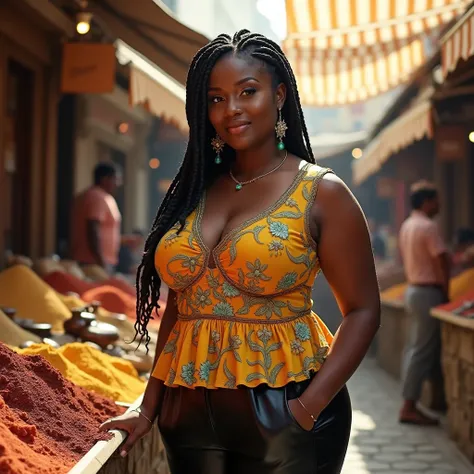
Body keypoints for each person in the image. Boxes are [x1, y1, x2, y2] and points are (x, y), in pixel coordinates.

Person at [101, 30, 380, 474]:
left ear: (280, 94)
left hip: (285, 408)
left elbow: (363, 310)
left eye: (247, 92)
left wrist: (307, 408)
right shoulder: (195, 189)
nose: (230, 109)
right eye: (215, 99)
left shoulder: (321, 192)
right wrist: (148, 408)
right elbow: (180, 305)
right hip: (187, 413)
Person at [398, 181, 450, 425]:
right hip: (428, 291)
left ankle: (412, 401)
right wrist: (446, 289)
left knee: (415, 347)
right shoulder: (428, 227)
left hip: (413, 290)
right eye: (436, 199)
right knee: (422, 349)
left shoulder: (408, 225)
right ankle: (409, 405)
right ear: (427, 202)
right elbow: (441, 259)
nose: (439, 204)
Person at [71, 162, 122, 275]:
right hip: (93, 263)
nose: (118, 183)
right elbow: (92, 229)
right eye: (116, 179)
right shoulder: (97, 197)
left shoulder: (98, 196)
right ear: (105, 179)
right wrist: (101, 261)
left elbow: (103, 230)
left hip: (96, 261)